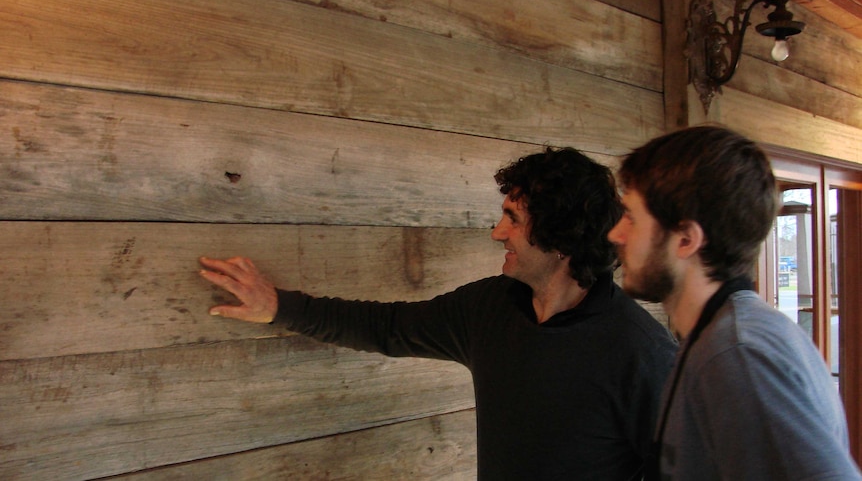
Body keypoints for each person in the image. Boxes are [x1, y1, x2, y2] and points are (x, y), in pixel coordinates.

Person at [200, 147, 678, 480]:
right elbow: (386, 328)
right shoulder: (489, 309)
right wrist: (278, 306)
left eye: (513, 219)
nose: (496, 233)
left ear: (561, 238)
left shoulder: (641, 353)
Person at [607, 125, 862, 480]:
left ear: (685, 240)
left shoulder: (737, 353)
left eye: (631, 217)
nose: (615, 233)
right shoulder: (724, 336)